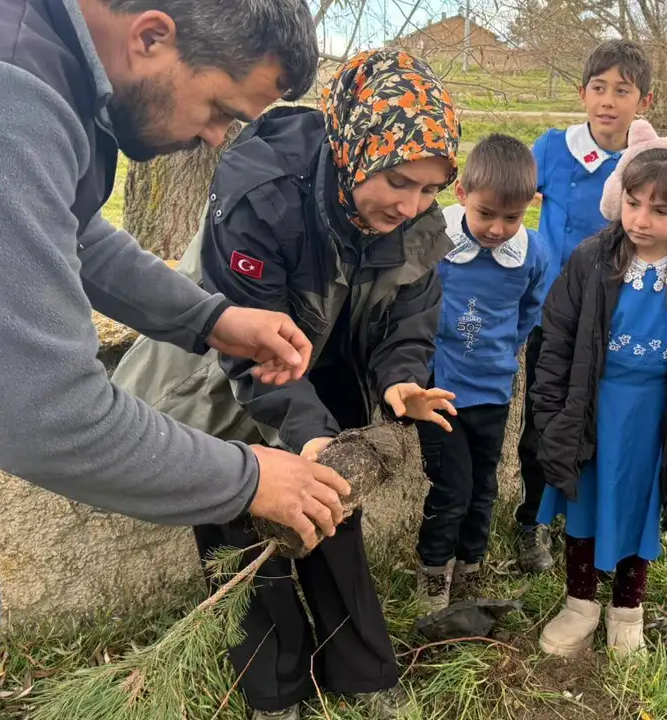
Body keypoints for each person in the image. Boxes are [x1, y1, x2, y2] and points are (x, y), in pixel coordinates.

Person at [0, 1, 354, 718]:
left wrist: (211, 318)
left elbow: (69, 229)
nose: (216, 138)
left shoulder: (52, 58)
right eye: (219, 109)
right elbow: (49, 419)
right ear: (151, 36)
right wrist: (250, 478)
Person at [113, 48, 460, 720]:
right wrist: (306, 435)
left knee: (331, 511)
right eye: (398, 181)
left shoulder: (415, 218)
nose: (412, 205)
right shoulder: (263, 192)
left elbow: (410, 316)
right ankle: (273, 689)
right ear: (356, 149)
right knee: (236, 513)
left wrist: (400, 379)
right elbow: (249, 350)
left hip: (324, 359)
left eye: (430, 189)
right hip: (224, 362)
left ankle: (361, 671)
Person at [530, 119, 667, 658]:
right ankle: (579, 605)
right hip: (593, 408)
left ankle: (627, 611)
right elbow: (558, 341)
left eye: (660, 210)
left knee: (640, 506)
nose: (642, 220)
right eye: (633, 203)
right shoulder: (591, 260)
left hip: (656, 419)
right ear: (617, 195)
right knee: (585, 503)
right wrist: (551, 416)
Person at [515, 39, 655, 574]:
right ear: (582, 93)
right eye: (599, 88)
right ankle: (532, 520)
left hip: (622, 320)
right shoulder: (554, 148)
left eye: (622, 90)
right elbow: (506, 193)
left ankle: (592, 517)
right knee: (544, 420)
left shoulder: (648, 161)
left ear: (644, 100)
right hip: (554, 318)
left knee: (604, 422)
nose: (608, 101)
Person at [415, 135, 552, 612]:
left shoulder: (532, 253)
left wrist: (507, 351)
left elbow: (530, 309)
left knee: (484, 488)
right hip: (442, 393)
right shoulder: (437, 242)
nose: (497, 228)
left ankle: (471, 567)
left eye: (511, 218)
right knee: (452, 488)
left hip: (493, 391)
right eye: (486, 214)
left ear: (530, 206)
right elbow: (413, 304)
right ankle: (434, 573)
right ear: (462, 195)